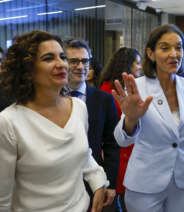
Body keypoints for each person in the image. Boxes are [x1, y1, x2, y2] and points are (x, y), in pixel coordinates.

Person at [0, 30, 108, 211]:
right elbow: (2, 198)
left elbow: (83, 152)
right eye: (49, 58)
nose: (62, 64)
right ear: (28, 70)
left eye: (62, 57)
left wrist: (98, 181)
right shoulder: (9, 122)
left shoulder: (78, 107)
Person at [113, 24, 184, 212]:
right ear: (151, 53)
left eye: (179, 47)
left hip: (182, 183)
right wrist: (131, 119)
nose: (174, 54)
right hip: (145, 183)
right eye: (165, 48)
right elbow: (121, 140)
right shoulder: (137, 87)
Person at [65, 39, 120, 211]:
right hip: (61, 179)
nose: (81, 67)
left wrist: (110, 183)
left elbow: (112, 143)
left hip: (94, 181)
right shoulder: (51, 99)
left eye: (85, 61)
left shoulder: (104, 99)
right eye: (74, 61)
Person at [99, 47, 142, 212]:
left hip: (126, 152)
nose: (139, 67)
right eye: (137, 63)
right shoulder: (109, 90)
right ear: (127, 65)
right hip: (118, 153)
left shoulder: (126, 86)